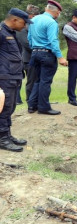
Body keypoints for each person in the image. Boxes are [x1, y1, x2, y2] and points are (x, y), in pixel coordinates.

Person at [27, 0, 68, 115]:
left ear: (46, 9)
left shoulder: (34, 20)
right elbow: (53, 41)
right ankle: (44, 107)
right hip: (47, 54)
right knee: (45, 81)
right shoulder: (52, 22)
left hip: (35, 52)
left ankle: (32, 105)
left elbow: (29, 38)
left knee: (37, 80)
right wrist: (60, 57)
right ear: (57, 12)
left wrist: (34, 49)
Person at [0, 8, 33, 152]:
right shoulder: (1, 32)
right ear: (14, 20)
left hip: (13, 76)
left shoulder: (11, 33)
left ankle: (6, 134)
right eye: (24, 23)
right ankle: (2, 139)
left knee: (10, 107)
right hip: (4, 77)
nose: (25, 26)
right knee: (4, 108)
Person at [15, 4, 39, 104]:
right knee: (31, 81)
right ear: (31, 15)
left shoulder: (30, 26)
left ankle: (32, 99)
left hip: (32, 57)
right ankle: (30, 100)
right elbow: (26, 43)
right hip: (27, 58)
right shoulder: (23, 27)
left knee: (34, 80)